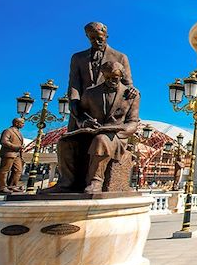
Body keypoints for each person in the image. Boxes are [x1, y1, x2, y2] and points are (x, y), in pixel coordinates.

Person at [47, 61, 140, 193]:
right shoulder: (91, 93)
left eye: (115, 78)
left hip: (116, 136)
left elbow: (133, 123)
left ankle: (96, 181)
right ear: (103, 75)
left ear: (121, 77)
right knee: (65, 142)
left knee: (101, 139)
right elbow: (80, 115)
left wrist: (118, 131)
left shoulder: (131, 95)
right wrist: (84, 123)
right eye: (107, 78)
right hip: (91, 133)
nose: (111, 81)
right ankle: (65, 182)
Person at [67, 22, 136, 131]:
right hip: (83, 110)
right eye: (92, 38)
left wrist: (132, 91)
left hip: (107, 110)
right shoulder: (78, 58)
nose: (96, 41)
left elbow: (127, 84)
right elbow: (74, 85)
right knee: (68, 145)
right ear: (87, 37)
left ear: (106, 36)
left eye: (100, 38)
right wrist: (75, 107)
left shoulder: (120, 57)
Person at [0, 118, 25, 193]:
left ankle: (12, 186)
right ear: (16, 123)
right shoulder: (8, 131)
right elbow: (3, 141)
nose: (23, 124)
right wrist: (16, 147)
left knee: (18, 170)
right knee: (5, 170)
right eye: (22, 123)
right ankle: (2, 187)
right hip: (9, 153)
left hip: (17, 154)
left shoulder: (18, 132)